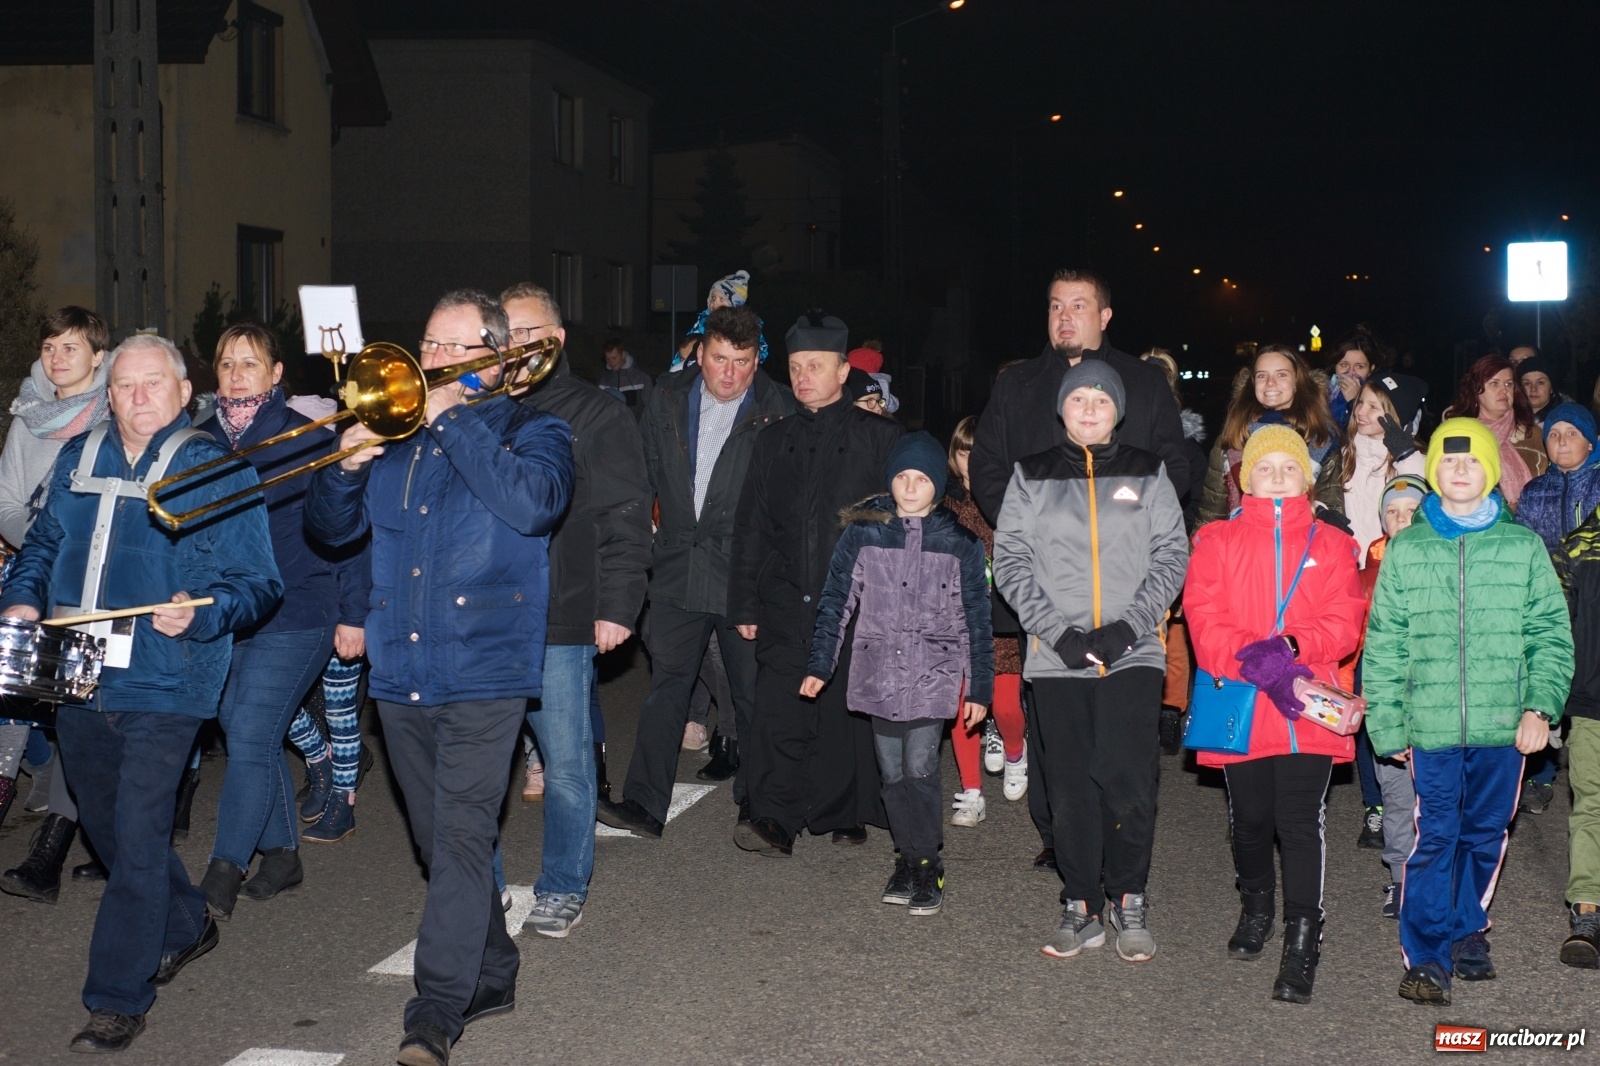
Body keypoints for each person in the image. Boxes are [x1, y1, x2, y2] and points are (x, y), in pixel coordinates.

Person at [304, 289, 573, 1065]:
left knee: (459, 837)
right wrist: (346, 468)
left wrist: (452, 416)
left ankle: (433, 1013)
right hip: (401, 666)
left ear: (496, 354)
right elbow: (332, 533)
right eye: (432, 343)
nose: (439, 359)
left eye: (458, 347)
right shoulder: (393, 439)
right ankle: (492, 966)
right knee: (437, 841)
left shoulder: (535, 430)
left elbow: (532, 506)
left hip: (485, 666)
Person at [0, 334, 282, 1053]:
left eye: (152, 384)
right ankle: (187, 922)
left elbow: (258, 584)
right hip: (79, 669)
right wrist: (24, 600)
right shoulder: (80, 456)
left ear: (185, 392)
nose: (136, 398)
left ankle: (116, 997)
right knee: (109, 825)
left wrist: (203, 609)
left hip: (170, 677)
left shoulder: (214, 467)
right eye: (124, 385)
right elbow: (39, 546)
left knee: (140, 826)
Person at [969, 269, 1187, 869]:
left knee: (1123, 747)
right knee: (1054, 725)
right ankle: (1058, 835)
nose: (1065, 317)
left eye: (1080, 305)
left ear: (1105, 316)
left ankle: (1121, 852)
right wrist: (1023, 524)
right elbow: (987, 464)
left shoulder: (1142, 383)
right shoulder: (1017, 385)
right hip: (1045, 582)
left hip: (1126, 589)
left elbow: (1176, 463)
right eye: (1056, 306)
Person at [1364, 417, 1573, 1006]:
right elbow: (1383, 646)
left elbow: (1550, 636)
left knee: (1484, 835)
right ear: (1434, 473)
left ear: (1490, 472)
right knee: (1436, 837)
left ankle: (1465, 927)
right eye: (1450, 462)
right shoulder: (1408, 549)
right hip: (1428, 726)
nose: (1461, 470)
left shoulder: (1523, 546)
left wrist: (1540, 707)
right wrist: (1388, 724)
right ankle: (1428, 956)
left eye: (1473, 460)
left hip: (1503, 727)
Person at [994, 361, 1188, 962]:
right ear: (1061, 408)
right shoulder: (1031, 475)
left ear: (1118, 411)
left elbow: (1171, 554)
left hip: (1133, 652)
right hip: (1057, 656)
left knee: (1127, 779)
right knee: (1071, 785)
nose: (1088, 408)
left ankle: (1129, 895)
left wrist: (1129, 629)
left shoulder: (1148, 471)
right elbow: (1011, 562)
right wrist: (1059, 633)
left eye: (1100, 400)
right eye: (1077, 399)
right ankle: (1081, 904)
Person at [1183, 424, 1367, 1004]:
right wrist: (1254, 659)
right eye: (1267, 467)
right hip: (1242, 699)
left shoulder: (1335, 545)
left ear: (1307, 479)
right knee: (1251, 818)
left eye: (1290, 467)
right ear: (1246, 479)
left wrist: (1287, 648)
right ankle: (1257, 901)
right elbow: (1203, 616)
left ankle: (1303, 935)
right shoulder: (1215, 540)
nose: (1279, 476)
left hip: (1310, 706)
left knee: (1299, 819)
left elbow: (1345, 621)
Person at [190, 323, 369, 918]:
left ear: (276, 374)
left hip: (301, 608)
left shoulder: (306, 436)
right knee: (244, 726)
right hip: (227, 614)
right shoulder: (200, 441)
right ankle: (283, 853)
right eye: (225, 364)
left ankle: (224, 866)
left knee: (249, 733)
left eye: (249, 362)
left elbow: (347, 532)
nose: (236, 373)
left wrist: (354, 611)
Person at [599, 305, 794, 838]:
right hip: (678, 567)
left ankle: (761, 806)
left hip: (745, 573)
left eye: (742, 361)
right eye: (718, 359)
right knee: (667, 686)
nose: (728, 373)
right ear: (699, 353)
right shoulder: (665, 397)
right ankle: (643, 804)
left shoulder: (779, 409)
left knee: (753, 692)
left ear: (757, 361)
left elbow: (787, 509)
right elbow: (639, 480)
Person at [503, 282, 651, 936]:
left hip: (561, 617)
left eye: (526, 333)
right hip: (483, 618)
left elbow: (625, 515)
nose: (513, 347)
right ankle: (473, 884)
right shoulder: (479, 409)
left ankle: (562, 884)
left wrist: (618, 603)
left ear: (556, 341)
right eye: (501, 335)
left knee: (564, 762)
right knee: (472, 766)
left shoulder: (596, 413)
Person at [729, 309, 902, 856]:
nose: (803, 376)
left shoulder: (881, 438)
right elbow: (751, 524)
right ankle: (774, 817)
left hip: (856, 599)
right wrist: (744, 602)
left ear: (844, 370)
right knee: (780, 705)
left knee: (842, 710)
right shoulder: (772, 439)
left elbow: (903, 522)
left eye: (815, 366)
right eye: (796, 366)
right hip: (783, 594)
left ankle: (842, 809)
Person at [803, 431, 992, 914]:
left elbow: (976, 617)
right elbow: (836, 601)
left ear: (938, 486)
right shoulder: (864, 532)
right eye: (902, 477)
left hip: (935, 672)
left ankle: (928, 864)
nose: (910, 487)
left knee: (921, 768)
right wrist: (821, 663)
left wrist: (980, 687)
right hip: (878, 672)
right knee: (891, 774)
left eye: (922, 478)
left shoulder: (960, 543)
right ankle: (906, 858)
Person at [0, 306, 111, 894]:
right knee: (28, 697)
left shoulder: (121, 408)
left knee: (82, 705)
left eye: (70, 347)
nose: (57, 357)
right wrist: (43, 549)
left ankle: (53, 848)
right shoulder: (28, 420)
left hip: (104, 580)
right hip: (40, 575)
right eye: (49, 347)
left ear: (98, 355)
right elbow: (9, 503)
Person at [1336, 371, 1426, 850]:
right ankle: (1374, 803)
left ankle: (1406, 797)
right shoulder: (1345, 459)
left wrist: (1399, 440)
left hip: (1397, 582)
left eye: (1378, 406)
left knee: (1394, 696)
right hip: (1353, 581)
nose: (1365, 413)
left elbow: (1423, 476)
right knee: (1360, 694)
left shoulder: (1409, 460)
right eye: (1361, 405)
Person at [1514, 402, 1600, 816]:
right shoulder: (1535, 491)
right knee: (1546, 686)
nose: (1562, 440)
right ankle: (1541, 776)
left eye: (1572, 432)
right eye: (1553, 434)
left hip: (1593, 600)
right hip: (1549, 601)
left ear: (1591, 441)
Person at [943, 416, 1027, 824]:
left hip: (1001, 621)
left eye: (979, 453)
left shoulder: (1011, 499)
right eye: (963, 452)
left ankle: (1015, 750)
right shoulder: (947, 503)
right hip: (958, 621)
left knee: (1008, 705)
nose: (970, 461)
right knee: (961, 707)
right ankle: (971, 790)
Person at [1359, 475, 1428, 918]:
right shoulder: (1369, 572)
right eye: (1392, 512)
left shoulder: (1443, 561)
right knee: (1398, 796)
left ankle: (1436, 881)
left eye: (1411, 511)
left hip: (1437, 703)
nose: (1401, 520)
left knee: (1439, 800)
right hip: (1390, 703)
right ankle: (1401, 879)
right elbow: (1359, 639)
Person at [1195, 345, 1345, 526]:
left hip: (1303, 546)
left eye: (1281, 374)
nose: (1270, 383)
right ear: (1252, 384)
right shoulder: (1234, 436)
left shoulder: (1320, 438)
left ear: (1298, 382)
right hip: (1242, 548)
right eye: (1262, 375)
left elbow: (1331, 512)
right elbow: (1211, 514)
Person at [1551, 499, 1600, 968]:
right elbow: (1557, 628)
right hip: (1592, 703)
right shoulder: (1578, 546)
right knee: (1592, 804)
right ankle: (1588, 911)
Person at [1443, 353, 1546, 510]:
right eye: (1494, 384)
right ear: (1476, 390)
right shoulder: (1459, 436)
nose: (1504, 391)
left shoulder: (1532, 434)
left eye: (1508, 384)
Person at [598, 339, 653, 418]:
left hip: (635, 428)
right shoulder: (603, 381)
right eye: (608, 359)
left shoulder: (642, 379)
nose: (611, 362)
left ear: (623, 355)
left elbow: (650, 408)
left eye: (614, 358)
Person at [1516, 355, 1568, 422]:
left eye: (1540, 383)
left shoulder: (1564, 419)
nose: (1533, 389)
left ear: (1552, 387)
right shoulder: (1510, 418)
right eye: (1527, 383)